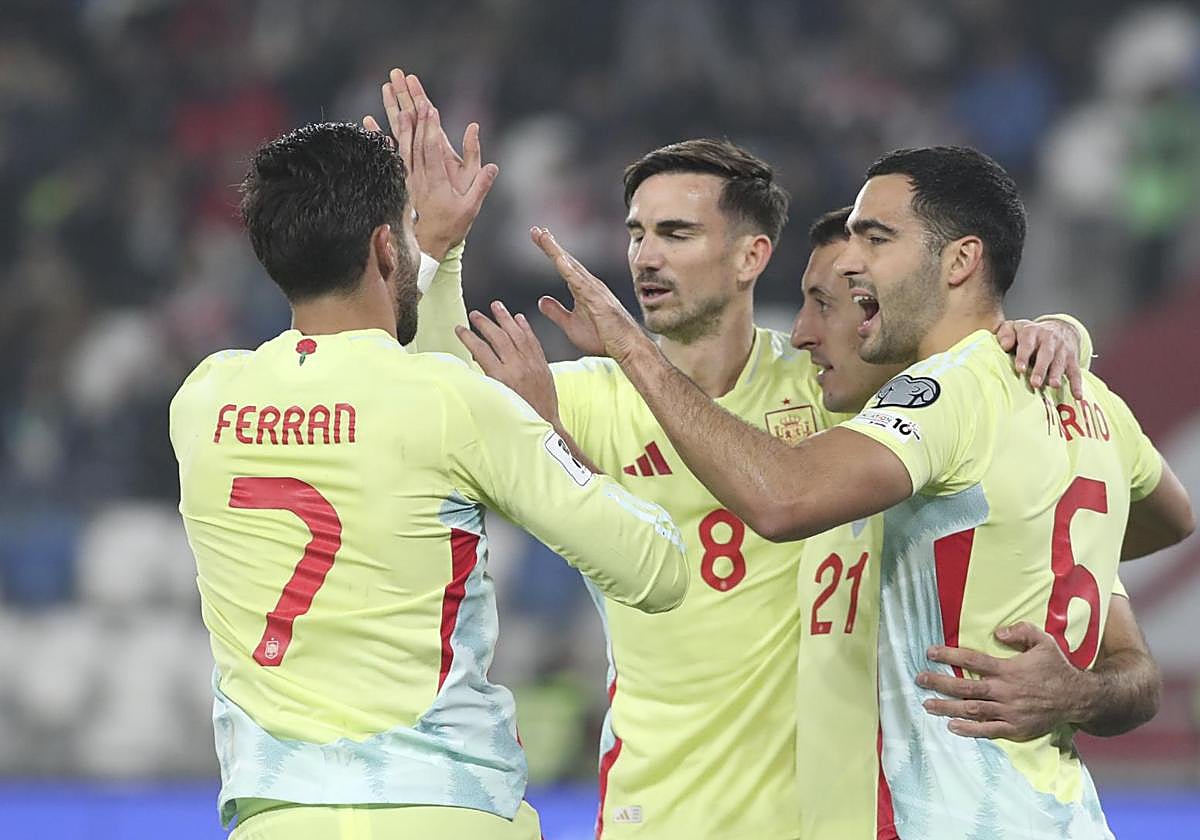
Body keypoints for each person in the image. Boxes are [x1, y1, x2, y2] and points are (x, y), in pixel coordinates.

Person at [527, 146, 1194, 838]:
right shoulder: (1080, 408)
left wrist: (632, 350)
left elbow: (781, 499)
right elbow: (1172, 523)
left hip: (941, 819)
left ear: (959, 261)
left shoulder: (937, 403)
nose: (808, 331)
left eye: (871, 248)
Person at [168, 118, 690, 840]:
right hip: (448, 807)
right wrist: (547, 430)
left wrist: (432, 253)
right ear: (386, 246)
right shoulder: (454, 404)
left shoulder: (202, 401)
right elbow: (655, 568)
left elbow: (370, 383)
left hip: (276, 816)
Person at [790, 206, 1164, 839]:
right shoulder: (848, 440)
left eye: (835, 302)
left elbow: (1138, 673)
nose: (802, 333)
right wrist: (1065, 327)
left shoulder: (968, 425)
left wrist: (1077, 694)